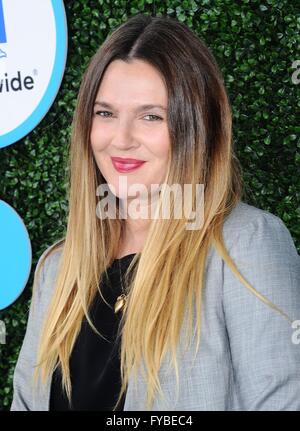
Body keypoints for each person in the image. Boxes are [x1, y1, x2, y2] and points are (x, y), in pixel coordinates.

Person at [10, 13, 300, 411]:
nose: (122, 139)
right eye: (105, 113)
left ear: (196, 127)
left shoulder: (247, 245)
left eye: (151, 116)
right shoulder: (57, 269)